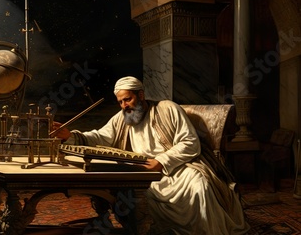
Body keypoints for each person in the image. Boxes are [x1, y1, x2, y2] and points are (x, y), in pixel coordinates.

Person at [52, 76, 249, 235]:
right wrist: (69, 135)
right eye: (120, 102)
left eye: (128, 99)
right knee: (138, 196)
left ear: (141, 95)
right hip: (143, 172)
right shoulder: (122, 118)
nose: (124, 105)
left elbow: (190, 142)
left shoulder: (167, 108)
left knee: (199, 185)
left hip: (179, 168)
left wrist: (162, 161)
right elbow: (99, 137)